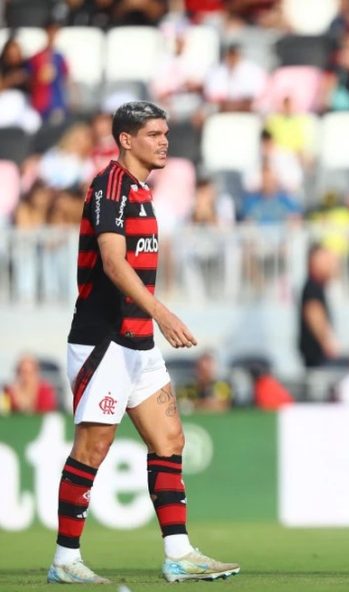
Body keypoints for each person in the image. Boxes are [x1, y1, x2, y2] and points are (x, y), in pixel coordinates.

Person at [49, 101, 239, 584]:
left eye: (165, 133)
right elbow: (113, 264)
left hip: (139, 341)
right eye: (153, 134)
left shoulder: (140, 191)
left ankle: (178, 553)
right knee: (93, 448)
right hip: (104, 339)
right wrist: (162, 311)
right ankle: (65, 561)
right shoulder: (109, 186)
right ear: (126, 140)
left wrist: (151, 320)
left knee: (170, 439)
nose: (164, 141)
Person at [298, 244, 340, 368]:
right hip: (317, 357)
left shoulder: (316, 286)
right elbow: (314, 314)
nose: (330, 266)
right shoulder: (312, 287)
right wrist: (328, 343)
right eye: (326, 261)